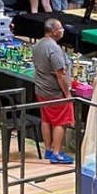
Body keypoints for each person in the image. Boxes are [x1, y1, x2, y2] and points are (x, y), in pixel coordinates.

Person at [28, 18, 76, 165]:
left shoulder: (38, 44)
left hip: (41, 89)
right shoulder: (54, 49)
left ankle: (48, 149)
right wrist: (67, 94)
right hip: (54, 93)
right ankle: (57, 153)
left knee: (46, 120)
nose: (63, 30)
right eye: (60, 28)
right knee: (61, 122)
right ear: (54, 31)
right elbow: (60, 74)